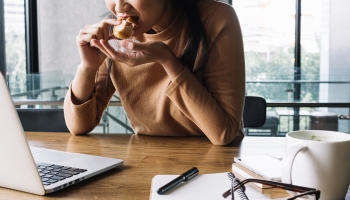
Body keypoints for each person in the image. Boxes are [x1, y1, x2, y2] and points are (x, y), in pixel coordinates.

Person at [63, 0, 245, 145]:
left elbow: (223, 133)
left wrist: (167, 60)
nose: (119, 7)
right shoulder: (113, 37)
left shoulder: (216, 18)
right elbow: (78, 126)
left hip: (216, 167)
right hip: (148, 160)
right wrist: (87, 68)